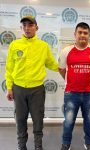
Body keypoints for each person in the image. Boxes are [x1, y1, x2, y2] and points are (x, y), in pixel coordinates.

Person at [5, 16, 58, 150]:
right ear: (21, 28)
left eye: (30, 25)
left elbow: (52, 64)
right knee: (20, 119)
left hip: (37, 90)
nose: (27, 28)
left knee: (38, 119)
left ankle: (38, 146)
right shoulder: (14, 45)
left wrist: (68, 65)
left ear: (36, 27)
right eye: (24, 25)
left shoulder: (43, 46)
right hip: (19, 89)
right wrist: (9, 87)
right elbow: (9, 68)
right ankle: (21, 146)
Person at [58, 22, 90, 150]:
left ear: (89, 35)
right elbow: (61, 70)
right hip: (71, 93)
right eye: (80, 32)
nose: (82, 35)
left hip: (89, 93)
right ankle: (66, 143)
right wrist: (71, 81)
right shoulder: (66, 51)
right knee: (69, 122)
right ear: (75, 34)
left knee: (89, 121)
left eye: (85, 33)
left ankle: (88, 142)